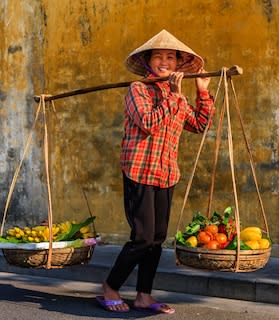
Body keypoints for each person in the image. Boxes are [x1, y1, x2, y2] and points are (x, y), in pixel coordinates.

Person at [96, 29, 215, 314]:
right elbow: (148, 122)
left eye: (171, 58)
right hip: (139, 170)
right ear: (149, 62)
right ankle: (110, 287)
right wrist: (173, 96)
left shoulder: (180, 99)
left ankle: (143, 296)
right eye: (158, 56)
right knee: (142, 237)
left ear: (177, 65)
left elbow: (199, 125)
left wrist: (201, 92)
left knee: (157, 239)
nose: (165, 62)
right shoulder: (138, 90)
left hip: (165, 173)